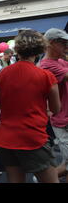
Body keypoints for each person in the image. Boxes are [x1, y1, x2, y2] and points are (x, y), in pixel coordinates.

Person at [0, 30, 60, 183]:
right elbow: (56, 109)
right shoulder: (46, 76)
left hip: (6, 138)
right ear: (40, 49)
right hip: (33, 138)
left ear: (18, 49)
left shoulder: (3, 73)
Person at [40, 28, 68, 183]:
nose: (66, 46)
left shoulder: (61, 61)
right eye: (63, 43)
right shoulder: (47, 65)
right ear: (51, 44)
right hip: (63, 120)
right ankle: (45, 178)